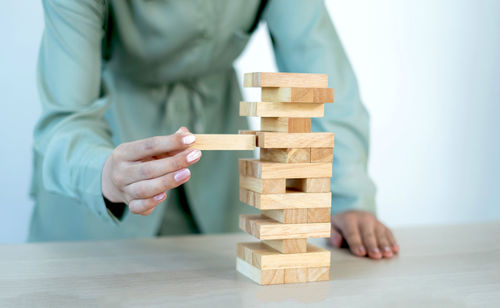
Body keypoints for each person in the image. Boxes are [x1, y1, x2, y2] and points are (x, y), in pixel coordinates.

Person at [30, 0, 399, 260]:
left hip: (220, 183)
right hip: (100, 177)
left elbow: (321, 80)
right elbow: (65, 116)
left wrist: (350, 199)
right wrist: (104, 174)